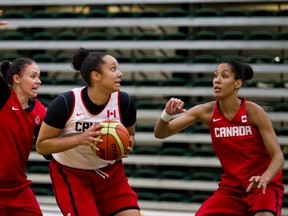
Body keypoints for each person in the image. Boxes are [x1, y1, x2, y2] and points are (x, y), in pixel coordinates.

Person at [154, 59, 284, 216]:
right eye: (215, 75)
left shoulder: (254, 112)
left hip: (263, 186)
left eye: (224, 76)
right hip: (232, 189)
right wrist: (167, 114)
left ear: (238, 84)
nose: (217, 80)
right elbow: (161, 133)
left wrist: (264, 178)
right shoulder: (205, 111)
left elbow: (278, 157)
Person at [36, 47, 141, 216]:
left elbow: (130, 135)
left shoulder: (124, 102)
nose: (120, 74)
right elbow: (41, 146)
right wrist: (80, 139)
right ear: (96, 75)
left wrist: (125, 146)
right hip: (72, 174)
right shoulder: (66, 103)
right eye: (113, 69)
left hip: (110, 174)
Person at [0, 57, 46, 216]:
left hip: (18, 187)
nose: (38, 81)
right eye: (33, 76)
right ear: (16, 79)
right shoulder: (4, 97)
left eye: (39, 76)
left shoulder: (40, 111)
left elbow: (48, 152)